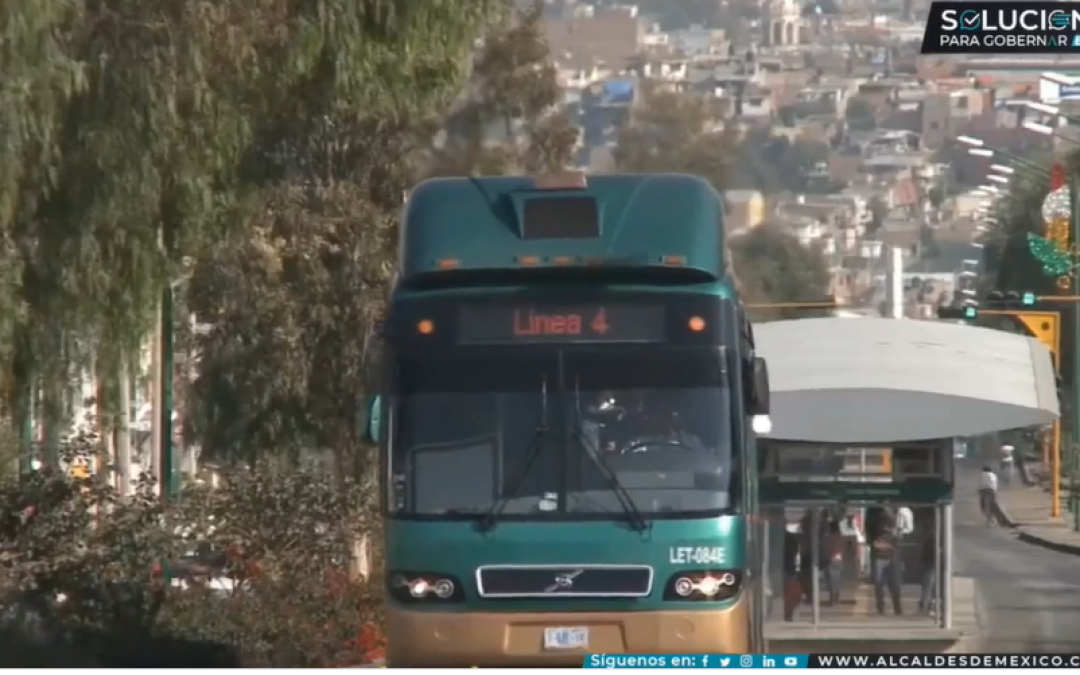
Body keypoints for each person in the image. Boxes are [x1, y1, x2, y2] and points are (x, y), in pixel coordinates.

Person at [868, 507, 904, 615]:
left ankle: (890, 607)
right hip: (883, 557)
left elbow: (877, 544)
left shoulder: (893, 531)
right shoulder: (878, 530)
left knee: (888, 585)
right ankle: (888, 607)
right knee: (883, 585)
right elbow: (875, 544)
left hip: (885, 557)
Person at [821, 514, 845, 606]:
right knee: (837, 579)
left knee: (831, 580)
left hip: (830, 558)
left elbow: (824, 547)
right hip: (838, 558)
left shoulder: (827, 537)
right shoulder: (840, 536)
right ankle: (836, 598)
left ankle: (832, 599)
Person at [916, 529, 937, 616]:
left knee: (928, 587)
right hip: (931, 565)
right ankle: (926, 606)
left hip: (931, 565)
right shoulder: (932, 541)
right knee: (929, 586)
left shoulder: (931, 540)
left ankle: (926, 606)